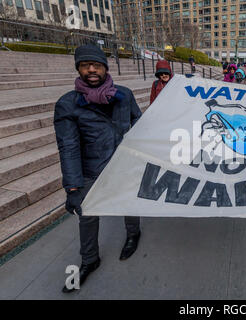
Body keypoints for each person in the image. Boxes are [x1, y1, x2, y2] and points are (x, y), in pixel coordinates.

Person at [54, 44, 142, 293]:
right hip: (91, 171)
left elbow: (139, 122)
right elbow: (68, 148)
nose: (91, 70)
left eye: (96, 65)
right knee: (88, 216)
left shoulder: (124, 95)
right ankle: (89, 260)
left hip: (124, 166)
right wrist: (72, 186)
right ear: (79, 69)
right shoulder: (67, 104)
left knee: (129, 203)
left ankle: (133, 235)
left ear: (105, 68)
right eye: (85, 65)